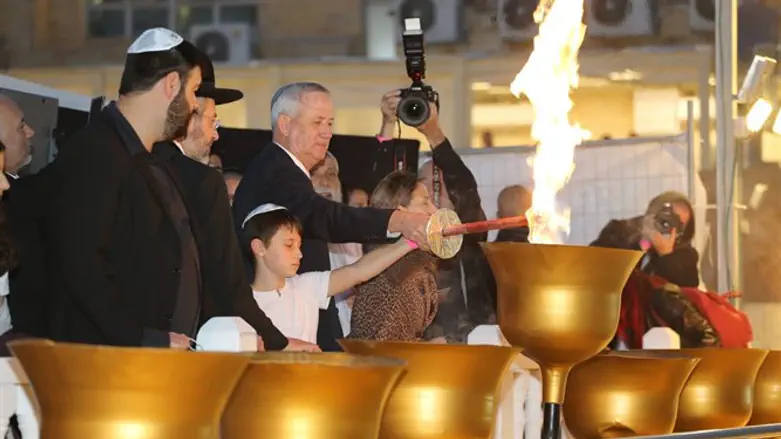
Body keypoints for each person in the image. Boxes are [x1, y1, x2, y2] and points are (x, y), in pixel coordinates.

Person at [232, 82, 431, 351]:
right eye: (317, 123)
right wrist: (399, 221)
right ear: (285, 124)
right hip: (277, 328)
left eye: (330, 123)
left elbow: (357, 269)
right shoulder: (276, 171)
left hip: (310, 311)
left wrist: (409, 239)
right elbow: (323, 216)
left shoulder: (284, 169)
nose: (326, 133)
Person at [46, 28, 209, 348]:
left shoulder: (146, 158)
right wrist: (145, 338)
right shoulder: (96, 152)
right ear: (171, 84)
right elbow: (83, 266)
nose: (194, 105)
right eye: (194, 91)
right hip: (109, 364)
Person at [153, 56, 311, 351]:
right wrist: (278, 341)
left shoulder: (138, 165)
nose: (216, 134)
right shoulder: (200, 181)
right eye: (213, 121)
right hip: (186, 342)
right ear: (189, 114)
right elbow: (228, 280)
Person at [378, 89, 496, 343]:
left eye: (442, 187)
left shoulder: (470, 238)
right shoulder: (398, 246)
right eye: (425, 193)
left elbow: (464, 188)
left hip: (478, 348)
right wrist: (388, 125)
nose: (434, 199)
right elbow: (380, 193)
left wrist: (434, 133)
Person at [242, 203, 419, 344]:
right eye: (289, 245)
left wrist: (410, 242)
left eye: (299, 245)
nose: (299, 254)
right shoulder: (241, 304)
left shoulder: (305, 287)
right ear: (259, 247)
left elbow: (359, 271)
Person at [348, 171, 442, 342]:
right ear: (401, 213)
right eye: (425, 203)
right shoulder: (398, 276)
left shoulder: (412, 266)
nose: (434, 211)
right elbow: (386, 351)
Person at [590, 191, 699, 287]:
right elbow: (593, 266)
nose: (668, 225)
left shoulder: (686, 256)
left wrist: (666, 257)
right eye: (665, 217)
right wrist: (642, 243)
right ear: (652, 212)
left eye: (678, 224)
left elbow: (689, 293)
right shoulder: (621, 230)